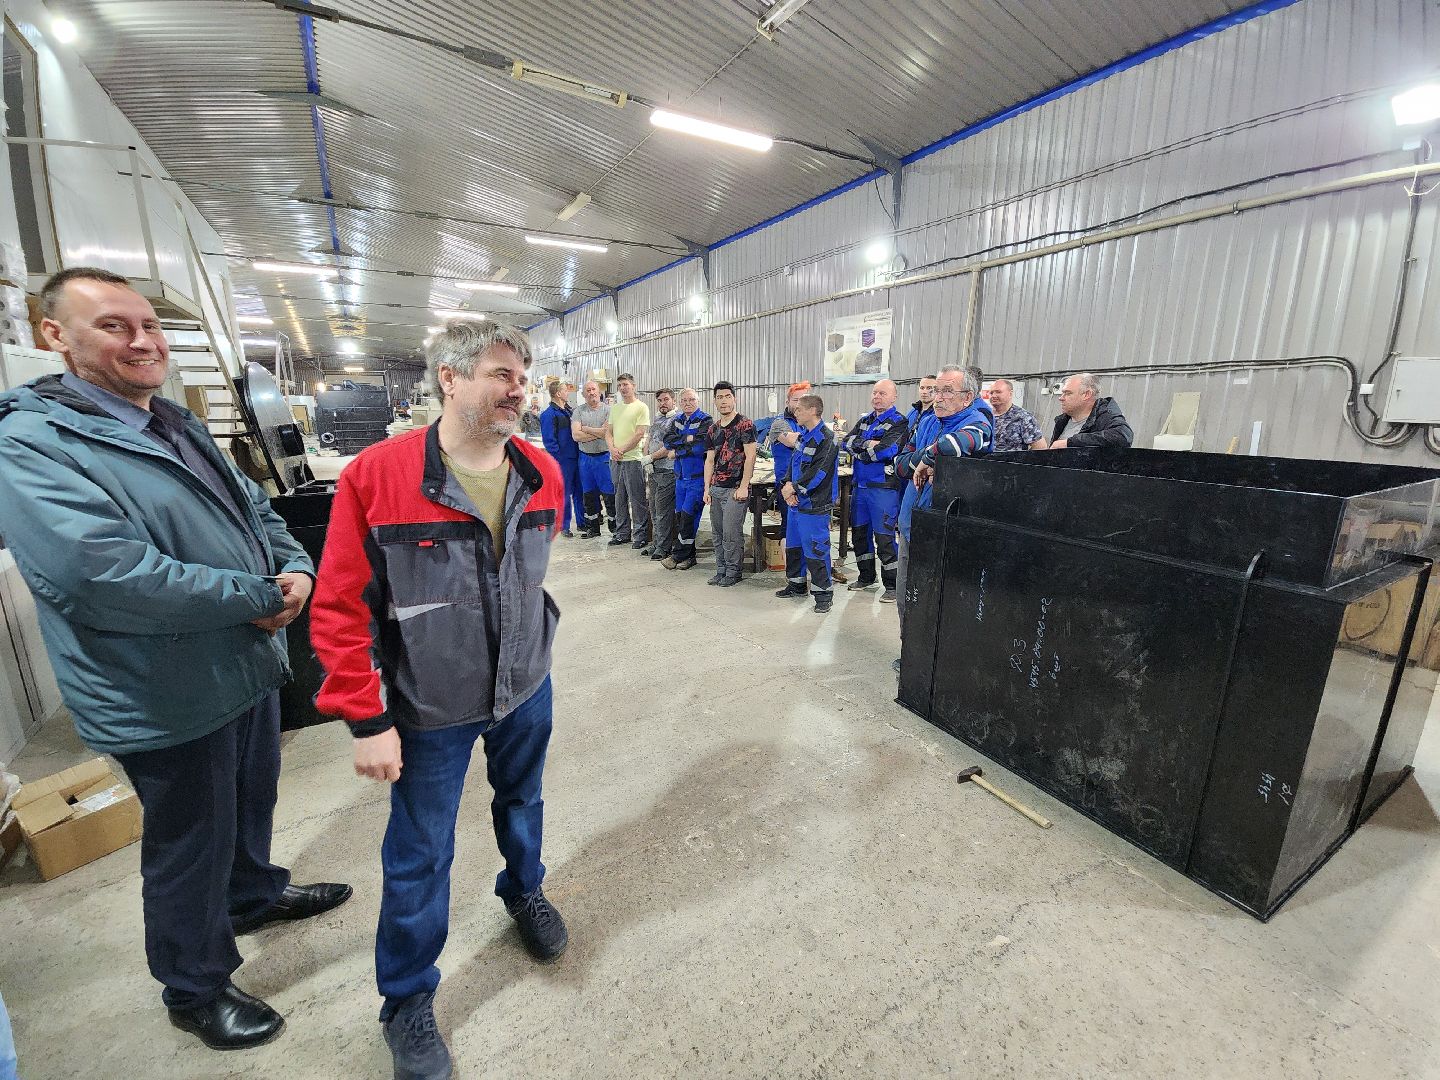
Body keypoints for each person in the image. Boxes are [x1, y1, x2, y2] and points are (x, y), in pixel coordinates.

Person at [0, 268, 350, 1051]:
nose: (143, 340)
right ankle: (194, 986)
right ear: (54, 337)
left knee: (249, 796)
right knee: (189, 837)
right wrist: (255, 593)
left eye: (148, 326)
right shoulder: (32, 443)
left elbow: (256, 507)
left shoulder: (170, 422)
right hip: (158, 687)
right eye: (114, 327)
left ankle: (253, 895)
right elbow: (101, 575)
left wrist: (295, 568)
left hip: (240, 660)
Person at [310, 319, 568, 1080]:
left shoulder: (542, 473)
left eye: (521, 376)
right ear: (449, 380)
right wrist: (367, 716)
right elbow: (338, 605)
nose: (516, 389)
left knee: (522, 804)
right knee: (421, 854)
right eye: (498, 373)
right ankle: (407, 1001)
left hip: (525, 685)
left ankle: (524, 892)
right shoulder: (377, 476)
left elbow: (526, 581)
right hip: (430, 704)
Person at [894, 366, 994, 668]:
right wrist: (927, 458)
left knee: (935, 600)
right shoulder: (927, 421)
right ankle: (910, 654)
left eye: (947, 391)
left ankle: (936, 663)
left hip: (944, 530)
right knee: (906, 597)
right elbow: (899, 464)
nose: (937, 397)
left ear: (967, 397)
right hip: (913, 525)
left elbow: (960, 443)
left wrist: (926, 458)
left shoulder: (977, 422)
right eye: (936, 390)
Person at [839, 379, 909, 602]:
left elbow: (887, 450)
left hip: (883, 490)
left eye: (883, 393)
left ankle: (892, 585)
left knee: (885, 539)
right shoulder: (865, 420)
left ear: (894, 397)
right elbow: (846, 442)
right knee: (859, 535)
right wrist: (869, 444)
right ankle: (866, 577)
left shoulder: (899, 422)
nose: (877, 397)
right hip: (860, 488)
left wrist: (863, 448)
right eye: (875, 392)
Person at [775, 393, 839, 613]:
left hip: (814, 504)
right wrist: (786, 486)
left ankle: (823, 596)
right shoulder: (803, 436)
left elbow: (819, 473)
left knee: (816, 550)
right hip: (795, 503)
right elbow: (793, 465)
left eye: (800, 409)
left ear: (813, 410)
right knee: (794, 546)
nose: (796, 412)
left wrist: (795, 488)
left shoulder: (827, 439)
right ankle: (796, 585)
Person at [703, 381, 757, 587]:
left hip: (736, 489)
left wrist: (744, 486)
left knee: (731, 533)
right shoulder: (713, 429)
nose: (723, 401)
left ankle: (734, 572)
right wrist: (706, 488)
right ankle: (721, 570)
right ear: (715, 401)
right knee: (717, 533)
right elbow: (709, 460)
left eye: (727, 396)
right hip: (716, 488)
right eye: (719, 397)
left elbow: (750, 457)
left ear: (734, 398)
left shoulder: (745, 424)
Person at [661, 387, 711, 571]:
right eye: (684, 401)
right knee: (681, 517)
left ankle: (677, 556)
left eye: (691, 400)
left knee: (689, 517)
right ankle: (689, 557)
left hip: (697, 479)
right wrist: (687, 439)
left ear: (697, 401)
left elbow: (701, 446)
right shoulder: (678, 420)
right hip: (680, 478)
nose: (688, 403)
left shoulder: (705, 420)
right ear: (680, 403)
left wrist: (678, 450)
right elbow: (667, 441)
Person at [604, 372, 650, 550]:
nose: (623, 388)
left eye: (626, 384)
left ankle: (640, 535)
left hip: (633, 460)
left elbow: (639, 433)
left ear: (634, 385)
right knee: (619, 498)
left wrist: (621, 450)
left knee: (636, 499)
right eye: (620, 385)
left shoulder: (641, 408)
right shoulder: (615, 408)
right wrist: (612, 449)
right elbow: (608, 431)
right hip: (615, 460)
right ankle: (622, 533)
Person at [571, 380, 616, 537]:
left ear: (599, 391)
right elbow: (576, 436)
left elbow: (607, 433)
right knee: (589, 495)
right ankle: (593, 528)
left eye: (593, 389)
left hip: (604, 458)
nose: (591, 392)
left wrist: (587, 429)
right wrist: (598, 433)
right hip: (585, 460)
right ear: (584, 394)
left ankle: (614, 527)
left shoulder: (609, 410)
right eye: (588, 390)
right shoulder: (578, 412)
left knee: (609, 494)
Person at [766, 382, 809, 542]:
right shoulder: (779, 424)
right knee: (789, 529)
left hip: (808, 484)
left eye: (804, 400)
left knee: (807, 529)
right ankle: (790, 566)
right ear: (788, 402)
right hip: (788, 485)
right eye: (795, 400)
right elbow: (794, 442)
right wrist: (820, 435)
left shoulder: (806, 424)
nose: (799, 404)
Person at [540, 380, 583, 537]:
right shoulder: (548, 415)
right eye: (565, 390)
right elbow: (549, 442)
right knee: (564, 494)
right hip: (563, 460)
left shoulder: (570, 412)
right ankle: (563, 525)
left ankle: (582, 522)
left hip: (577, 457)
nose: (568, 393)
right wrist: (558, 460)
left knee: (580, 491)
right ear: (558, 393)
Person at [1049, 373, 1133, 448]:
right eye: (1062, 393)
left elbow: (1122, 436)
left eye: (1068, 393)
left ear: (1086, 394)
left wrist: (1069, 442)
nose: (1061, 398)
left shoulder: (1105, 417)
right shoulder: (1062, 421)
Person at [643, 387, 679, 560]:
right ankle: (657, 543)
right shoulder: (657, 419)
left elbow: (670, 446)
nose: (663, 403)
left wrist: (650, 457)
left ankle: (664, 547)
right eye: (660, 400)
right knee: (653, 509)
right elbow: (648, 439)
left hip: (667, 470)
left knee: (663, 511)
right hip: (654, 471)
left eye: (666, 400)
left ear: (673, 401)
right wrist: (645, 457)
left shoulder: (676, 420)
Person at [988, 378, 1047, 452]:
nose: (993, 396)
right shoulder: (984, 415)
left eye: (998, 392)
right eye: (991, 393)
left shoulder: (1023, 417)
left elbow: (1040, 447)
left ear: (1010, 394)